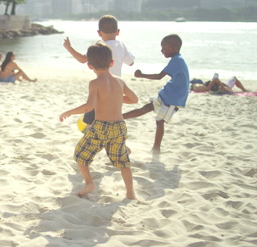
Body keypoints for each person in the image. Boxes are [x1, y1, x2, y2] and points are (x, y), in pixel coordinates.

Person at [59, 42, 138, 199]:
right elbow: (134, 99)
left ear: (89, 66)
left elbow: (89, 106)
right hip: (119, 127)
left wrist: (69, 112)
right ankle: (130, 193)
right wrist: (115, 99)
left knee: (81, 155)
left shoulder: (94, 83)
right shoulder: (120, 82)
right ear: (112, 63)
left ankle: (89, 183)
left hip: (101, 126)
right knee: (123, 161)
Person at [64, 14, 135, 127]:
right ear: (118, 32)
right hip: (116, 86)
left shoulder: (100, 47)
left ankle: (91, 140)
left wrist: (69, 47)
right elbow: (131, 62)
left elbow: (82, 59)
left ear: (99, 32)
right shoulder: (121, 45)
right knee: (110, 120)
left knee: (90, 123)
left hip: (101, 84)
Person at [123, 34, 189, 154]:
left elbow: (159, 76)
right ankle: (119, 117)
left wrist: (141, 75)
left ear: (173, 47)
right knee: (145, 108)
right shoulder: (176, 59)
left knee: (160, 121)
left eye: (164, 47)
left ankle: (156, 148)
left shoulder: (178, 60)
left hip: (174, 99)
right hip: (167, 93)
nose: (161, 50)